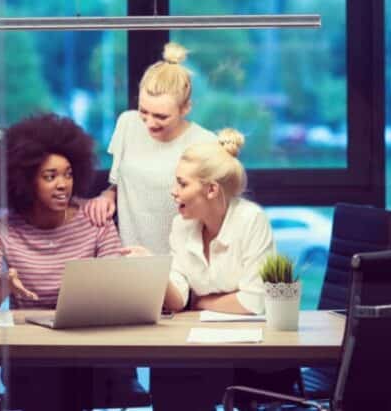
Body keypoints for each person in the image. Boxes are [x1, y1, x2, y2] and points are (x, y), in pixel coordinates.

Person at [120, 128, 280, 410]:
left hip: (250, 353)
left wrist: (201, 301)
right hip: (198, 346)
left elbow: (254, 301)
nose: (173, 191)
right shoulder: (182, 225)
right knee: (170, 370)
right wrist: (153, 270)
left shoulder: (251, 220)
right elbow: (180, 295)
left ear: (211, 189)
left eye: (182, 184)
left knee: (189, 375)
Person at [0, 113, 125, 411]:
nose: (63, 185)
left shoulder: (94, 219)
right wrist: (4, 285)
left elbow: (118, 284)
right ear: (25, 180)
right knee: (42, 384)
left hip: (88, 347)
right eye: (50, 176)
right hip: (31, 355)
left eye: (68, 174)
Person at [84, 41, 215, 255]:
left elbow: (212, 211)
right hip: (130, 257)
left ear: (186, 108)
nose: (149, 123)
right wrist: (107, 196)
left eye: (161, 116)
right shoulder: (127, 123)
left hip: (182, 262)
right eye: (144, 111)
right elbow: (121, 182)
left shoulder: (204, 142)